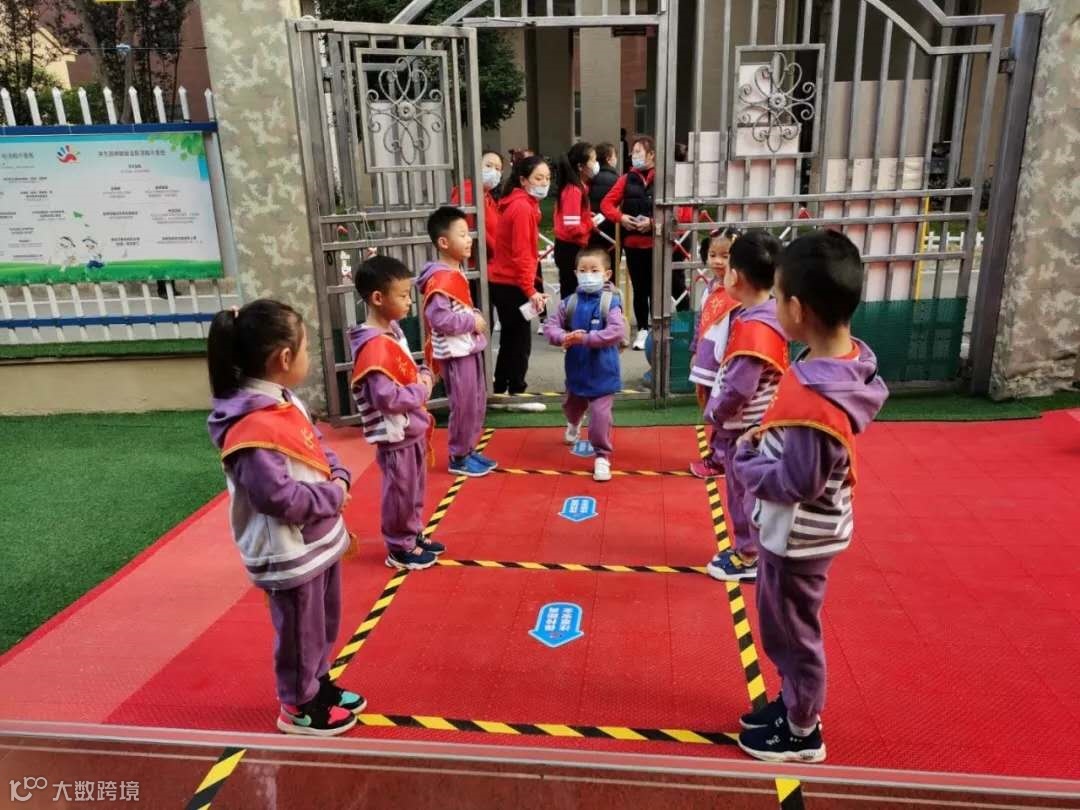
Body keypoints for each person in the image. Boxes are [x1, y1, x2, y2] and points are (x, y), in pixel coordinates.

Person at [733, 230, 888, 763]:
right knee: (783, 623)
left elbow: (799, 481)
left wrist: (748, 465)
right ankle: (793, 703)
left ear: (797, 309)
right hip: (802, 531)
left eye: (777, 298)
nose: (774, 307)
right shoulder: (843, 364)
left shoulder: (819, 397)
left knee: (791, 632)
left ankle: (801, 729)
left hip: (798, 537)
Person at [206, 299, 362, 737]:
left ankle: (317, 681)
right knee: (298, 630)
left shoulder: (284, 401)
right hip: (288, 549)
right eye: (308, 348)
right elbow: (277, 498)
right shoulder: (250, 427)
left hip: (317, 537)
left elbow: (316, 446)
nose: (310, 356)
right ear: (285, 358)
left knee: (322, 622)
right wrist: (332, 495)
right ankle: (297, 703)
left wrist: (340, 474)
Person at [349, 255, 446, 571]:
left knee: (414, 488)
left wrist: (422, 374)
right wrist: (422, 390)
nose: (409, 302)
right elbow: (386, 397)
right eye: (403, 295)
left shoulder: (393, 331)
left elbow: (407, 369)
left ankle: (412, 533)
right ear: (378, 298)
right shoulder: (374, 345)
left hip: (411, 427)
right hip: (396, 432)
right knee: (400, 491)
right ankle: (400, 546)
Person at [701, 230, 788, 582]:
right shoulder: (770, 313)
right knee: (749, 491)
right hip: (760, 424)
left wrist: (716, 412)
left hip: (747, 430)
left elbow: (740, 387)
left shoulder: (754, 327)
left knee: (744, 493)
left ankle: (749, 554)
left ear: (735, 276)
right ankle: (752, 549)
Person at [418, 206, 496, 478]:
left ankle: (468, 449)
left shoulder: (455, 271)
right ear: (443, 242)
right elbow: (439, 318)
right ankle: (459, 456)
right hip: (455, 352)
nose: (469, 239)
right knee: (463, 405)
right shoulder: (440, 278)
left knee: (475, 402)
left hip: (468, 347)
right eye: (462, 234)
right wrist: (471, 322)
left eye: (468, 233)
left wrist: (472, 315)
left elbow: (459, 307)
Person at [543, 247, 628, 482]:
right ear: (575, 273)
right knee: (572, 405)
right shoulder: (569, 303)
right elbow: (550, 326)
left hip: (604, 373)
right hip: (576, 371)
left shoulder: (611, 302)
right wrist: (564, 336)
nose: (588, 275)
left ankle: (602, 456)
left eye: (594, 270)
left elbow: (616, 331)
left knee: (600, 417)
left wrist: (586, 338)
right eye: (583, 270)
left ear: (607, 274)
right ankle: (573, 423)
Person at [488, 155, 551, 395]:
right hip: (511, 283)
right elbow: (523, 254)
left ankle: (502, 385)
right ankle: (516, 389)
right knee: (520, 340)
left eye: (547, 178)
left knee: (511, 338)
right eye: (538, 178)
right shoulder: (523, 207)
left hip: (505, 281)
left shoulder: (519, 203)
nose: (544, 183)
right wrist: (530, 290)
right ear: (523, 180)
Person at [688, 229, 741, 479]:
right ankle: (719, 454)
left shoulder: (739, 293)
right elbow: (701, 323)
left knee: (724, 411)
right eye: (712, 255)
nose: (718, 261)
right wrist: (695, 350)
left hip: (726, 362)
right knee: (714, 408)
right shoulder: (710, 287)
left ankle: (720, 459)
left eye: (725, 256)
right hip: (708, 359)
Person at [601, 134, 656, 351]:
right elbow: (606, 204)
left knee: (657, 288)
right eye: (633, 152)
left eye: (639, 151)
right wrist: (621, 217)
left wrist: (653, 223)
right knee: (640, 289)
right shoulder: (625, 179)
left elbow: (678, 211)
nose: (634, 155)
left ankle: (659, 328)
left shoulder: (663, 178)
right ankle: (642, 328)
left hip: (657, 244)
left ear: (651, 154)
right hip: (633, 245)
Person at [553, 141, 597, 300]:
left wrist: (586, 216)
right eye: (593, 160)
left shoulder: (578, 187)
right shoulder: (574, 190)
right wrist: (589, 224)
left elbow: (572, 216)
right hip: (569, 249)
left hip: (570, 247)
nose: (595, 164)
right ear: (580, 166)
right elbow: (572, 227)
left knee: (573, 291)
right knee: (571, 294)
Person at [450, 149, 503, 265]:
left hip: (486, 262)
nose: (493, 172)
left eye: (498, 169)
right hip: (473, 265)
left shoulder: (486, 196)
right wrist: (500, 252)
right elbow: (473, 231)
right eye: (488, 166)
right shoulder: (468, 194)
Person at [588, 142, 619, 250]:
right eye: (615, 156)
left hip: (592, 226)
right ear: (608, 159)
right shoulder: (617, 180)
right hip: (611, 229)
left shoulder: (589, 178)